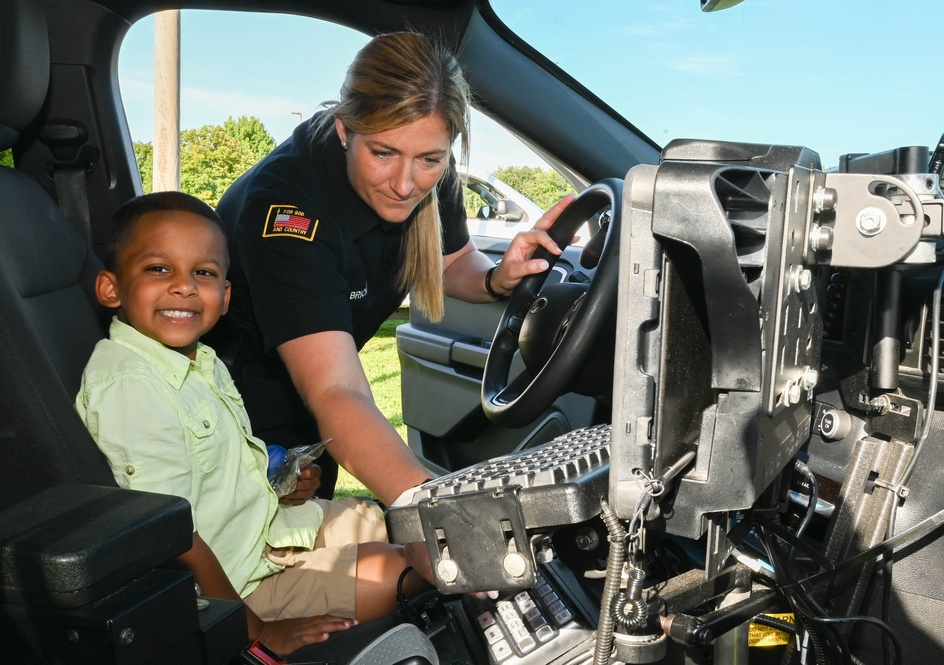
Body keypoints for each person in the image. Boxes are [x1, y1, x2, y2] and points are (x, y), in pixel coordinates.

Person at [213, 31, 572, 509]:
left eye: (430, 159)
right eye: (382, 154)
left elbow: (451, 261)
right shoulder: (288, 210)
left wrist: (495, 279)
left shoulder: (429, 172)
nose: (406, 185)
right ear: (344, 129)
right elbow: (336, 389)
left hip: (322, 398)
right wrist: (438, 513)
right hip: (241, 408)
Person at [75, 191, 427, 657]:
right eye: (159, 269)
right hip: (233, 582)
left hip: (265, 529)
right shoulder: (128, 384)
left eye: (203, 272)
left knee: (397, 524)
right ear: (111, 288)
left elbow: (216, 468)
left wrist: (282, 484)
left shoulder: (201, 360)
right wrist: (255, 628)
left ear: (224, 297)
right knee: (407, 574)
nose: (184, 286)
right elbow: (171, 531)